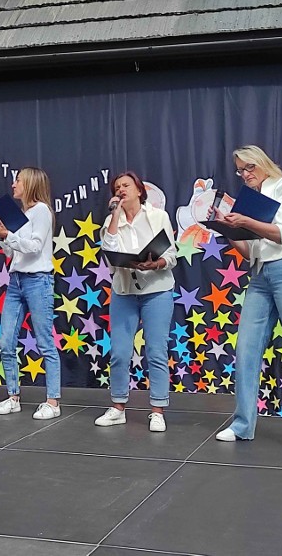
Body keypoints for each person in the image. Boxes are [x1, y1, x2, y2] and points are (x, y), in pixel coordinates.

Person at [214, 145, 282, 452]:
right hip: (261, 274)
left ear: (263, 163)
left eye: (250, 167)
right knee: (246, 349)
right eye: (240, 170)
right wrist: (226, 228)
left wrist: (244, 222)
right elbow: (251, 250)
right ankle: (242, 424)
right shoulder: (248, 200)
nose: (245, 174)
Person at [94, 171, 177, 432]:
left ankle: (157, 410)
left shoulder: (158, 216)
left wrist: (157, 263)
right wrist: (115, 216)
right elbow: (109, 250)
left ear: (140, 190)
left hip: (157, 289)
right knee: (119, 351)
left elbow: (172, 254)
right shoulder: (111, 220)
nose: (121, 190)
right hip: (124, 290)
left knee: (155, 351)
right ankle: (118, 406)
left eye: (126, 186)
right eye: (117, 187)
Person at [0, 167, 61, 419]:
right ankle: (13, 395)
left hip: (38, 280)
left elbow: (35, 246)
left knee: (45, 342)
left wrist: (9, 235)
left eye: (18, 180)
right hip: (16, 280)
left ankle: (52, 401)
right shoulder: (21, 214)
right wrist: (2, 237)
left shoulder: (41, 211)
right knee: (6, 340)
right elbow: (13, 253)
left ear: (30, 184)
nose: (14, 184)